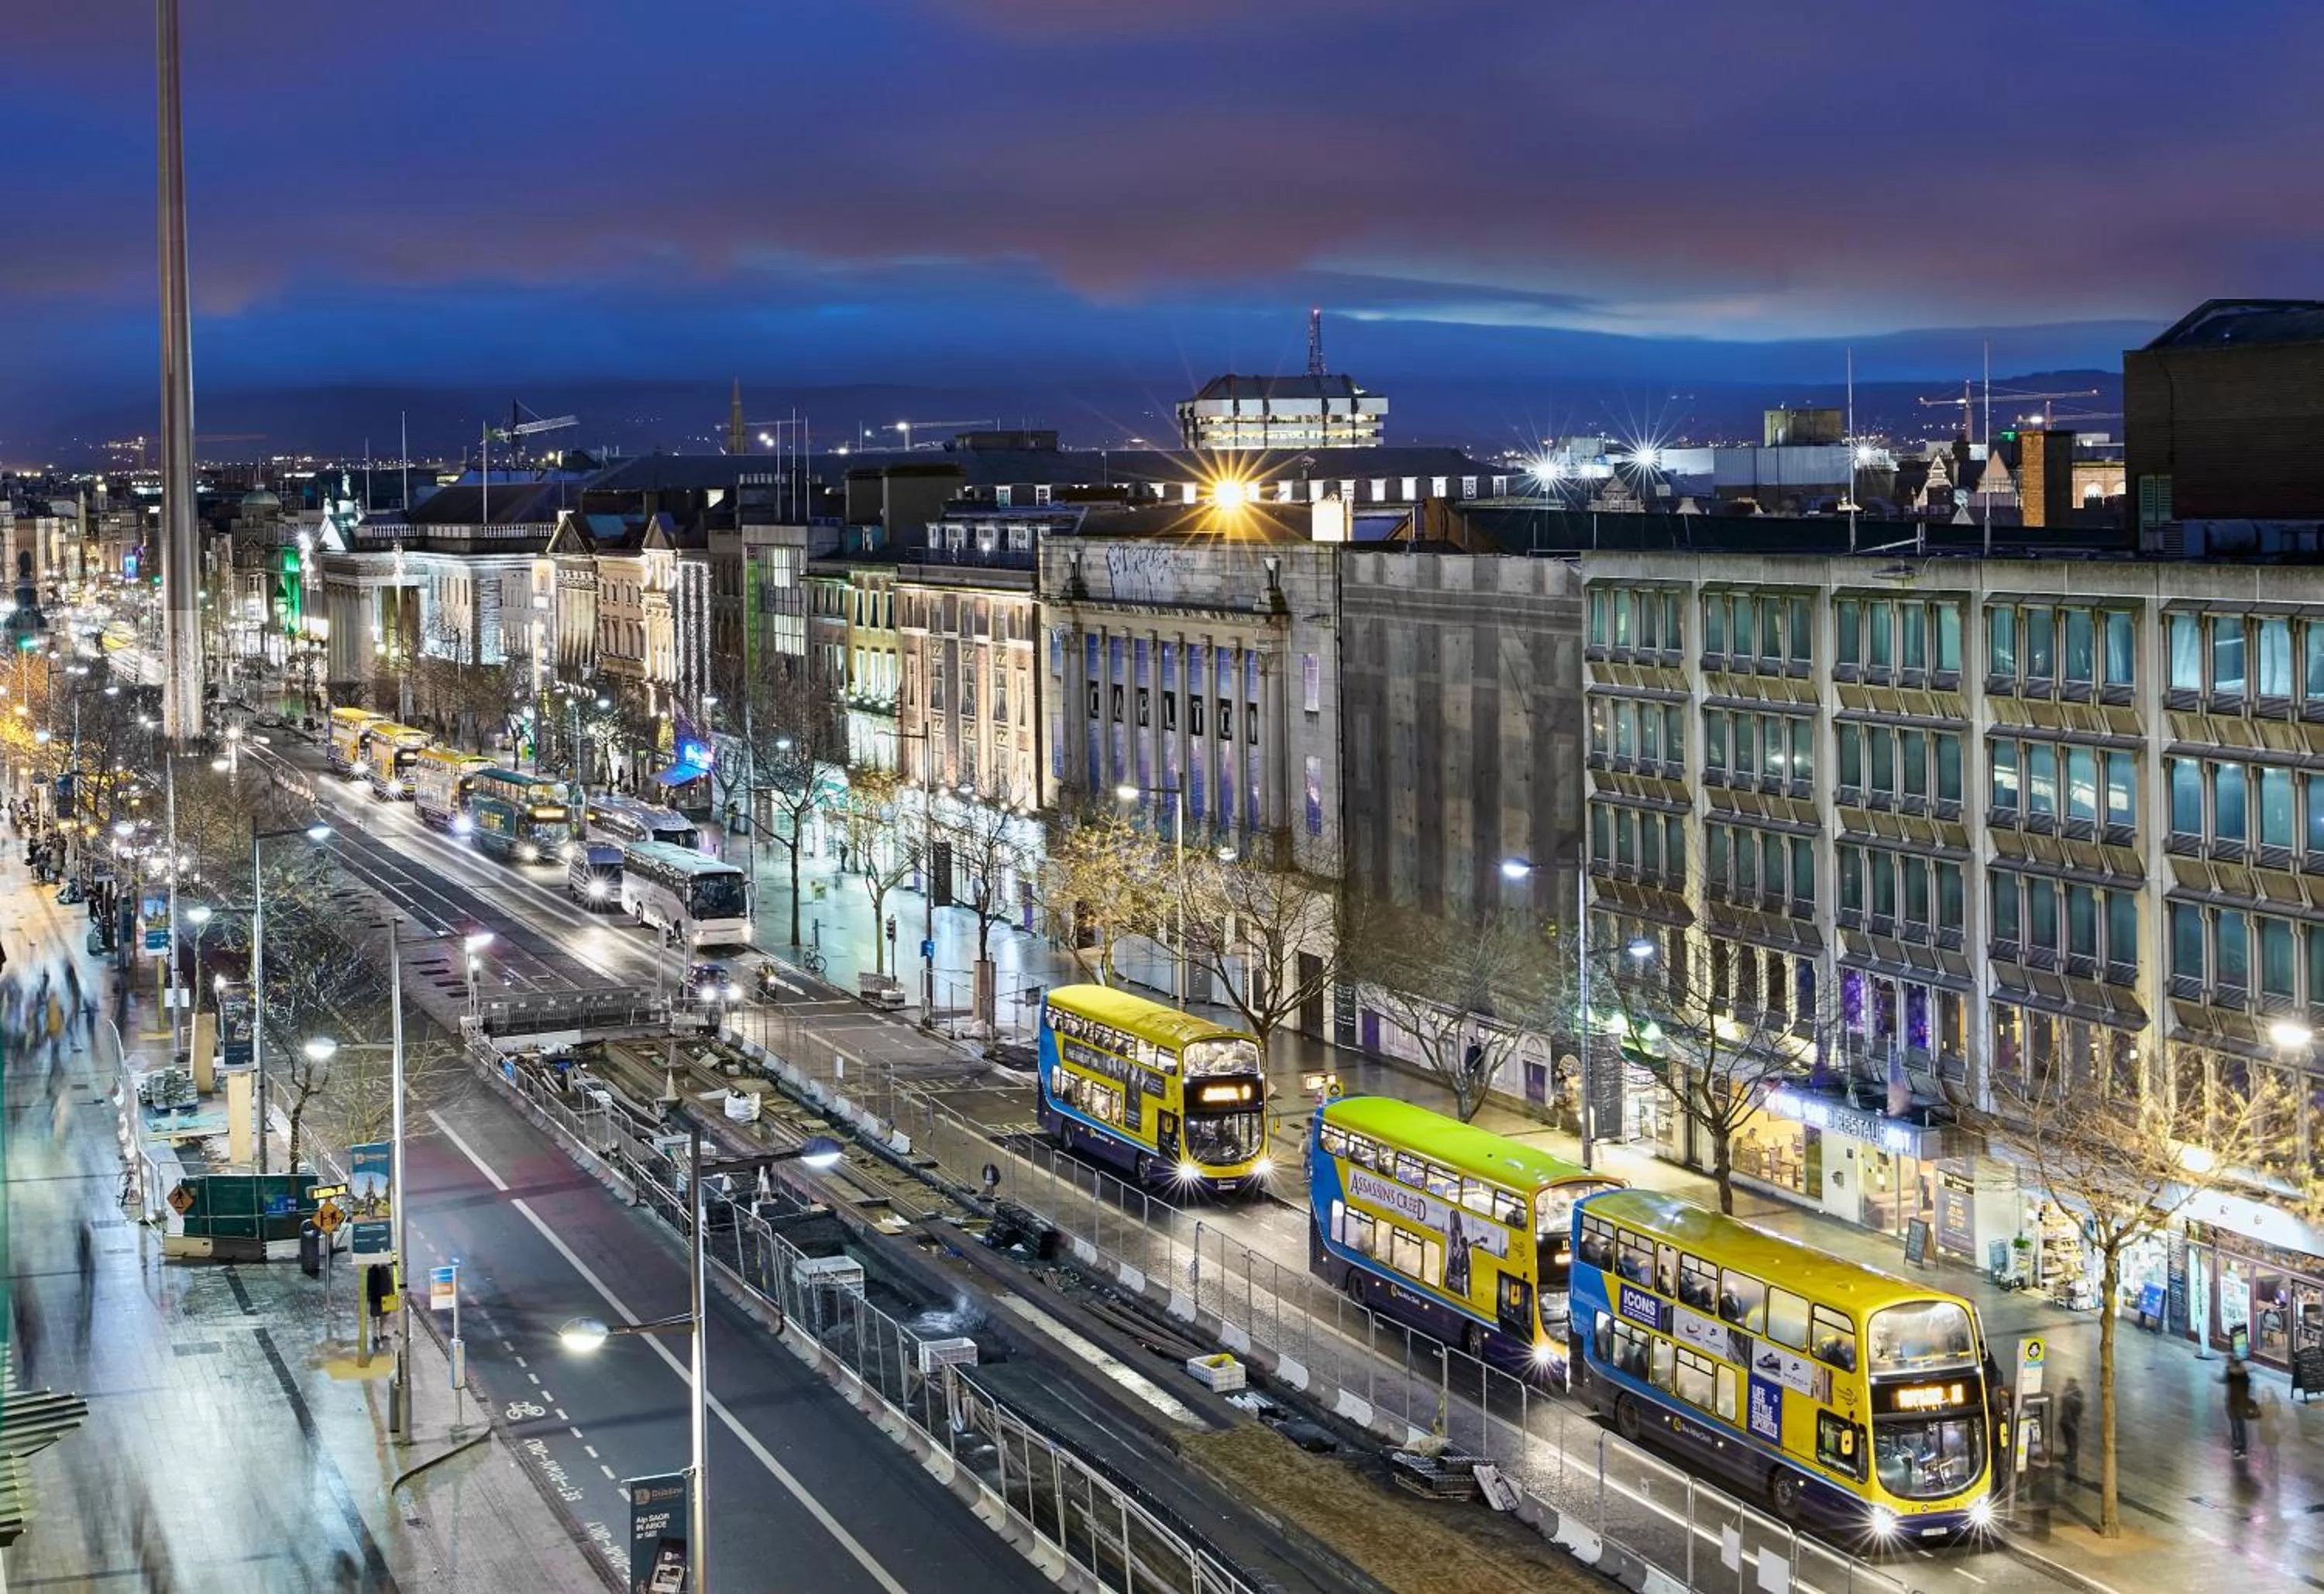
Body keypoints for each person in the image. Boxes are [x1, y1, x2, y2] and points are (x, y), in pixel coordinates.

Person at [2226, 1353, 2254, 1459]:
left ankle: (2238, 1448)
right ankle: (2242, 1448)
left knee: (2236, 1426)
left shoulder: (2232, 1373)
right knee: (2240, 1426)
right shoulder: (2243, 1374)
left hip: (2234, 1404)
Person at [2059, 1376, 2085, 1483]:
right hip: (2065, 1420)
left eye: (2070, 1382)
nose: (2068, 1384)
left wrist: (2074, 1419)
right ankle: (2068, 1454)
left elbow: (2079, 1409)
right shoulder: (2067, 1392)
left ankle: (2072, 1457)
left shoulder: (2077, 1394)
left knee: (2072, 1439)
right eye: (2068, 1382)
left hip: (2071, 1421)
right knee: (2068, 1439)